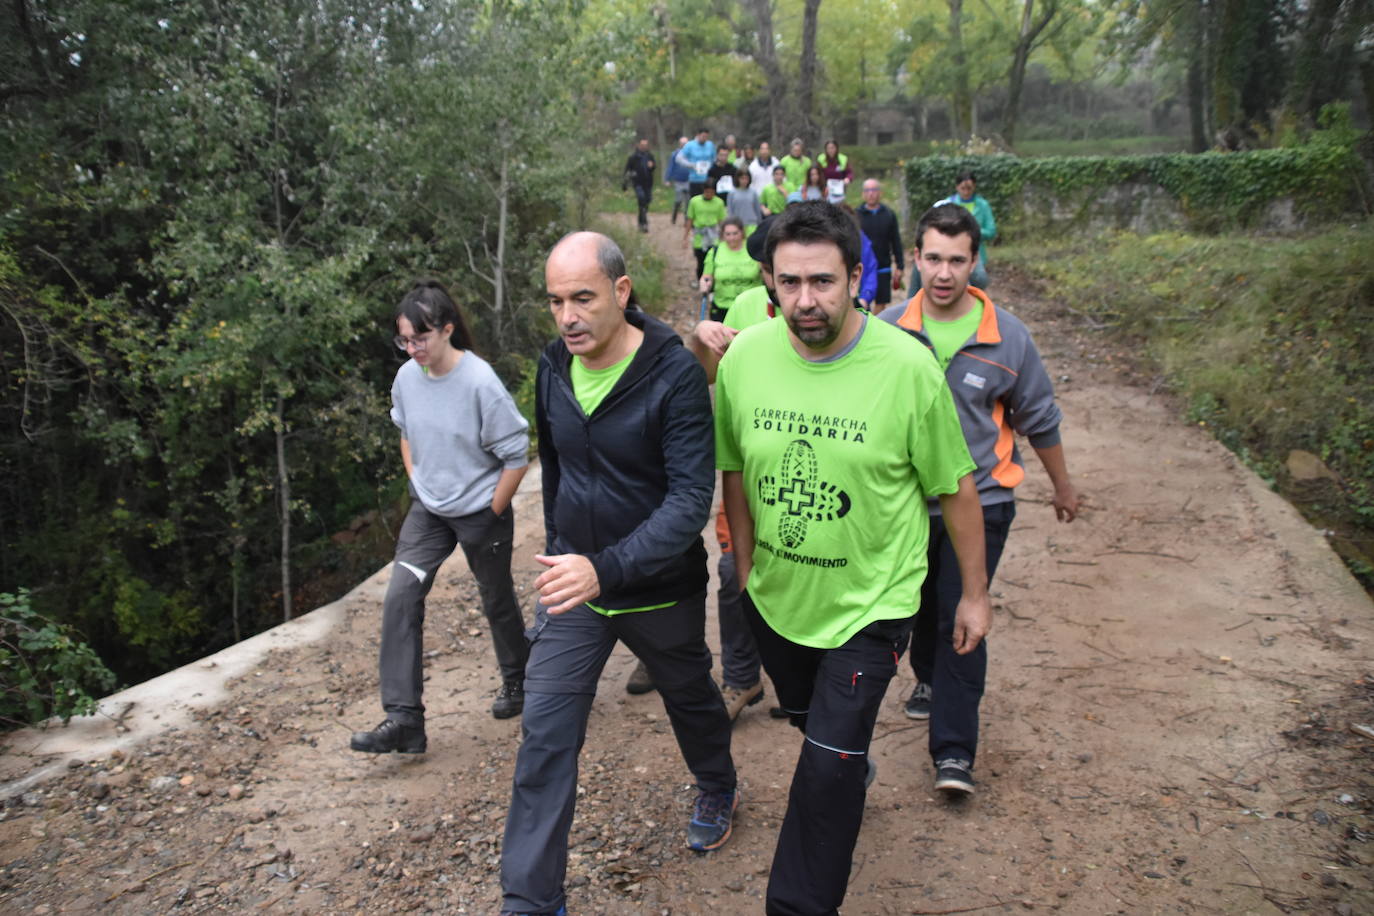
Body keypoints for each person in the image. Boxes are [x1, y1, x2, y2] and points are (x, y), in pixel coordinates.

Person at [714, 201, 991, 915]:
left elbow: (955, 488)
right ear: (768, 283)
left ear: (857, 277)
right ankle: (840, 750)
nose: (805, 300)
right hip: (778, 601)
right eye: (789, 283)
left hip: (874, 605)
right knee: (814, 727)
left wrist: (974, 594)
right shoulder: (745, 357)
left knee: (826, 773)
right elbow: (736, 469)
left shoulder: (906, 367)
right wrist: (744, 572)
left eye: (823, 282)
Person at [499, 232, 739, 916]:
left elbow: (690, 501)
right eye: (555, 302)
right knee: (545, 735)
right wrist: (564, 549)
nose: (567, 316)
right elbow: (560, 471)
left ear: (622, 293)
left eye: (582, 298)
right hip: (576, 585)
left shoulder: (674, 376)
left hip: (657, 586)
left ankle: (716, 783)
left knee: (690, 693)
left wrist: (604, 568)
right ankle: (531, 900)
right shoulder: (552, 367)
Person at [879, 204, 1080, 797]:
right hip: (907, 506)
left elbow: (1038, 417)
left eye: (957, 260)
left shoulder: (1008, 336)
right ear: (915, 259)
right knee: (913, 612)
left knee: (962, 616)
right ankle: (928, 678)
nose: (944, 273)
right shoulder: (887, 330)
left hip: (984, 501)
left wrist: (1063, 486)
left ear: (975, 261)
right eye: (933, 259)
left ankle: (954, 753)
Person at [351, 280, 531, 756]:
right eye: (404, 340)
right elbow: (405, 430)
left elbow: (517, 456)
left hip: (480, 511)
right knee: (400, 597)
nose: (412, 349)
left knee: (496, 600)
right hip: (428, 513)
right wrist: (418, 479)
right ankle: (404, 719)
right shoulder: (407, 377)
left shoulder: (479, 382)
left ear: (447, 329)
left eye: (420, 338)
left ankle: (520, 681)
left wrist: (490, 511)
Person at [700, 217, 762, 322]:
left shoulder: (753, 249)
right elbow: (706, 276)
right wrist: (705, 284)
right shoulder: (715, 251)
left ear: (742, 232)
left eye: (735, 233)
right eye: (728, 234)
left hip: (751, 306)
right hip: (722, 307)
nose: (731, 238)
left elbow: (766, 272)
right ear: (722, 235)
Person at [857, 178, 905, 310]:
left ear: (880, 193)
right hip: (863, 268)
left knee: (881, 303)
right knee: (862, 303)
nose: (871, 193)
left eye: (874, 190)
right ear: (863, 194)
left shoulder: (889, 214)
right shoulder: (857, 215)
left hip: (883, 266)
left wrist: (900, 266)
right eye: (867, 190)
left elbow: (896, 241)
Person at [944, 171, 996, 287]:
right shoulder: (948, 203)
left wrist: (973, 231)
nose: (966, 192)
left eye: (969, 188)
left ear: (974, 187)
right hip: (952, 250)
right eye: (963, 188)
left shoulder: (983, 205)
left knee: (979, 281)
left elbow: (991, 231)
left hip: (976, 252)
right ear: (957, 187)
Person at [685, 183, 727, 281]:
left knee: (714, 259)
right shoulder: (694, 201)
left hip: (714, 236)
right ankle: (701, 281)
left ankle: (712, 283)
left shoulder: (719, 203)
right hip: (700, 236)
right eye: (707, 192)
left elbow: (721, 220)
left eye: (711, 192)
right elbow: (690, 219)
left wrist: (724, 236)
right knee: (701, 261)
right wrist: (685, 236)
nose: (709, 194)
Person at [622, 138, 657, 233]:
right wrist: (624, 184)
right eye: (642, 145)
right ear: (639, 145)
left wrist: (652, 166)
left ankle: (641, 221)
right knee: (641, 200)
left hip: (648, 183)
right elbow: (627, 170)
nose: (644, 147)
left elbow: (654, 167)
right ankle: (644, 224)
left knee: (646, 202)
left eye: (646, 145)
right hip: (637, 183)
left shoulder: (650, 156)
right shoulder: (633, 157)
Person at [678, 128, 716, 199]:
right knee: (695, 200)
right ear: (698, 135)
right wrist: (691, 165)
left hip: (708, 179)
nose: (705, 139)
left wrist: (711, 166)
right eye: (703, 136)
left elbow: (714, 158)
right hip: (694, 179)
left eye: (706, 137)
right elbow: (679, 158)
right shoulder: (690, 145)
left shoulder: (710, 145)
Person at [666, 136, 692, 225]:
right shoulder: (675, 154)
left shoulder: (691, 154)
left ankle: (686, 220)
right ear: (680, 144)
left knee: (688, 202)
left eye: (686, 144)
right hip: (678, 181)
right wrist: (667, 179)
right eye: (683, 143)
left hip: (689, 180)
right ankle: (674, 217)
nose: (684, 145)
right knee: (678, 200)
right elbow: (670, 167)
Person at [816, 139, 852, 204]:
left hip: (839, 189)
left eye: (832, 148)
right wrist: (823, 186)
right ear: (825, 149)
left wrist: (848, 178)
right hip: (825, 188)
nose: (830, 150)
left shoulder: (843, 159)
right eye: (828, 148)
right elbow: (818, 173)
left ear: (836, 148)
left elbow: (849, 172)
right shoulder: (821, 159)